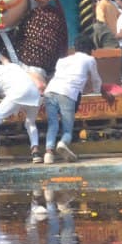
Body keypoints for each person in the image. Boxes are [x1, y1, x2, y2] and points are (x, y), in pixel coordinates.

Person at [42, 34, 102, 163]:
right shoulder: (89, 59)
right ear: (89, 49)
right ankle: (63, 143)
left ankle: (48, 154)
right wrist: (97, 92)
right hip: (68, 93)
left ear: (75, 48)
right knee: (67, 129)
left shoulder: (62, 60)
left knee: (53, 124)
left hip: (50, 91)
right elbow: (96, 80)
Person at [0, 59, 43, 166]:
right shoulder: (13, 66)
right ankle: (36, 152)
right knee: (30, 123)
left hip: (18, 93)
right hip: (33, 93)